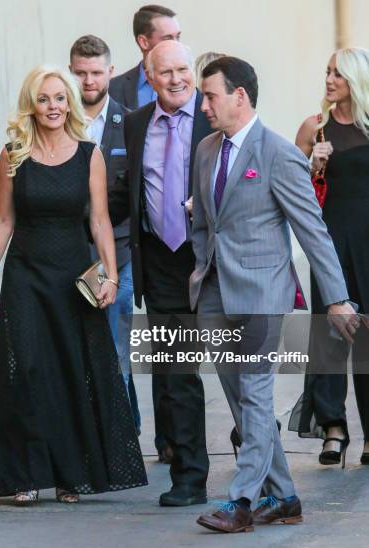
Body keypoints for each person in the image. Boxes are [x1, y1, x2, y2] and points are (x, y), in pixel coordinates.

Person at [191, 56, 357, 533]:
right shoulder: (205, 150)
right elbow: (204, 223)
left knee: (257, 395)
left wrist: (337, 298)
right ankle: (284, 496)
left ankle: (241, 500)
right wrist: (201, 273)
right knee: (243, 403)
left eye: (210, 95)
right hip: (215, 294)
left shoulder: (279, 153)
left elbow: (313, 231)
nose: (204, 106)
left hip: (264, 293)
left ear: (239, 96)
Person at [0, 64, 147, 505]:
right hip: (25, 276)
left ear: (68, 103)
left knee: (75, 370)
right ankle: (28, 474)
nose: (53, 107)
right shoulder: (13, 153)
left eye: (59, 98)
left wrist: (109, 273)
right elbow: (3, 219)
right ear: (31, 105)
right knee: (28, 370)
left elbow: (99, 219)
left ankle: (74, 474)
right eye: (43, 99)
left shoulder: (89, 154)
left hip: (73, 278)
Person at [109, 40, 212, 507]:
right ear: (147, 78)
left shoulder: (215, 117)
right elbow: (123, 193)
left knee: (244, 373)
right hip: (164, 264)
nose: (176, 79)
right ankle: (189, 478)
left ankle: (261, 459)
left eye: (182, 70)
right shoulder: (134, 125)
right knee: (176, 376)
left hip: (214, 259)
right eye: (164, 72)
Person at [291, 47, 369, 466]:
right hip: (330, 243)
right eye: (326, 72)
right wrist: (311, 165)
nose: (329, 79)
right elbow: (288, 188)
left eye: (337, 73)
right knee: (329, 332)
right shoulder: (315, 128)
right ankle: (333, 428)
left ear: (355, 79)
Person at [69, 34, 141, 434]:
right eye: (80, 73)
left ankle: (120, 440)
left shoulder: (131, 123)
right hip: (69, 251)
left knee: (115, 350)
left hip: (120, 253)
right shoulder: (58, 121)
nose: (88, 81)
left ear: (111, 72)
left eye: (96, 72)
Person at [109, 4, 181, 109]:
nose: (176, 45)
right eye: (167, 38)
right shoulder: (114, 88)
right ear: (143, 42)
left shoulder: (187, 83)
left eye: (178, 37)